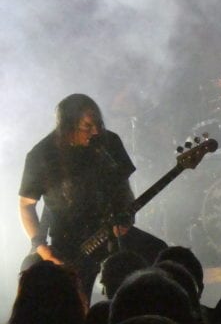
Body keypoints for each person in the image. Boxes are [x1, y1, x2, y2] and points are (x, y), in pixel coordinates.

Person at [19, 93, 164, 301]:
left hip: (111, 230)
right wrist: (42, 248)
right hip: (68, 243)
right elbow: (26, 205)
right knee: (77, 298)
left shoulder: (109, 142)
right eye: (86, 126)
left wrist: (127, 217)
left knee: (159, 253)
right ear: (67, 126)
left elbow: (122, 185)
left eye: (97, 123)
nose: (95, 131)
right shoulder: (41, 155)